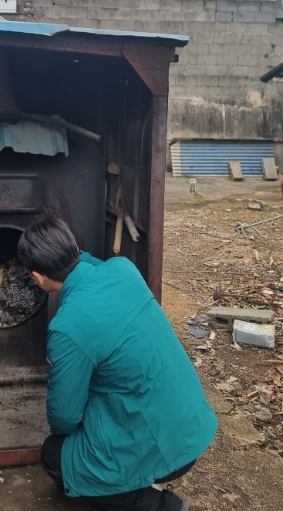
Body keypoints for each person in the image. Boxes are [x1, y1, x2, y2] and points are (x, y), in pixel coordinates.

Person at [18, 217, 217, 511]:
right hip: (193, 428)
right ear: (74, 247)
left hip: (167, 446)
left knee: (55, 455)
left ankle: (161, 506)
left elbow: (64, 417)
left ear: (38, 277)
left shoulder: (67, 326)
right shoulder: (123, 268)